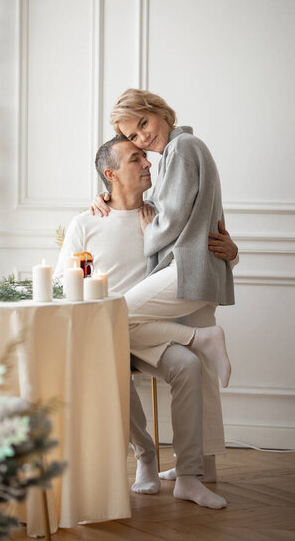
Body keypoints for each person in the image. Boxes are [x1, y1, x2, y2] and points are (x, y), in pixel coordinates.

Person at [55, 136, 238, 509]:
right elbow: (61, 280)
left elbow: (200, 261)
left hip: (149, 330)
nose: (148, 164)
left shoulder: (162, 217)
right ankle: (145, 456)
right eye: (135, 159)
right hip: (107, 333)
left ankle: (188, 475)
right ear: (111, 174)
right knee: (109, 360)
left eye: (145, 156)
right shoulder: (85, 222)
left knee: (187, 365)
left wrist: (232, 254)